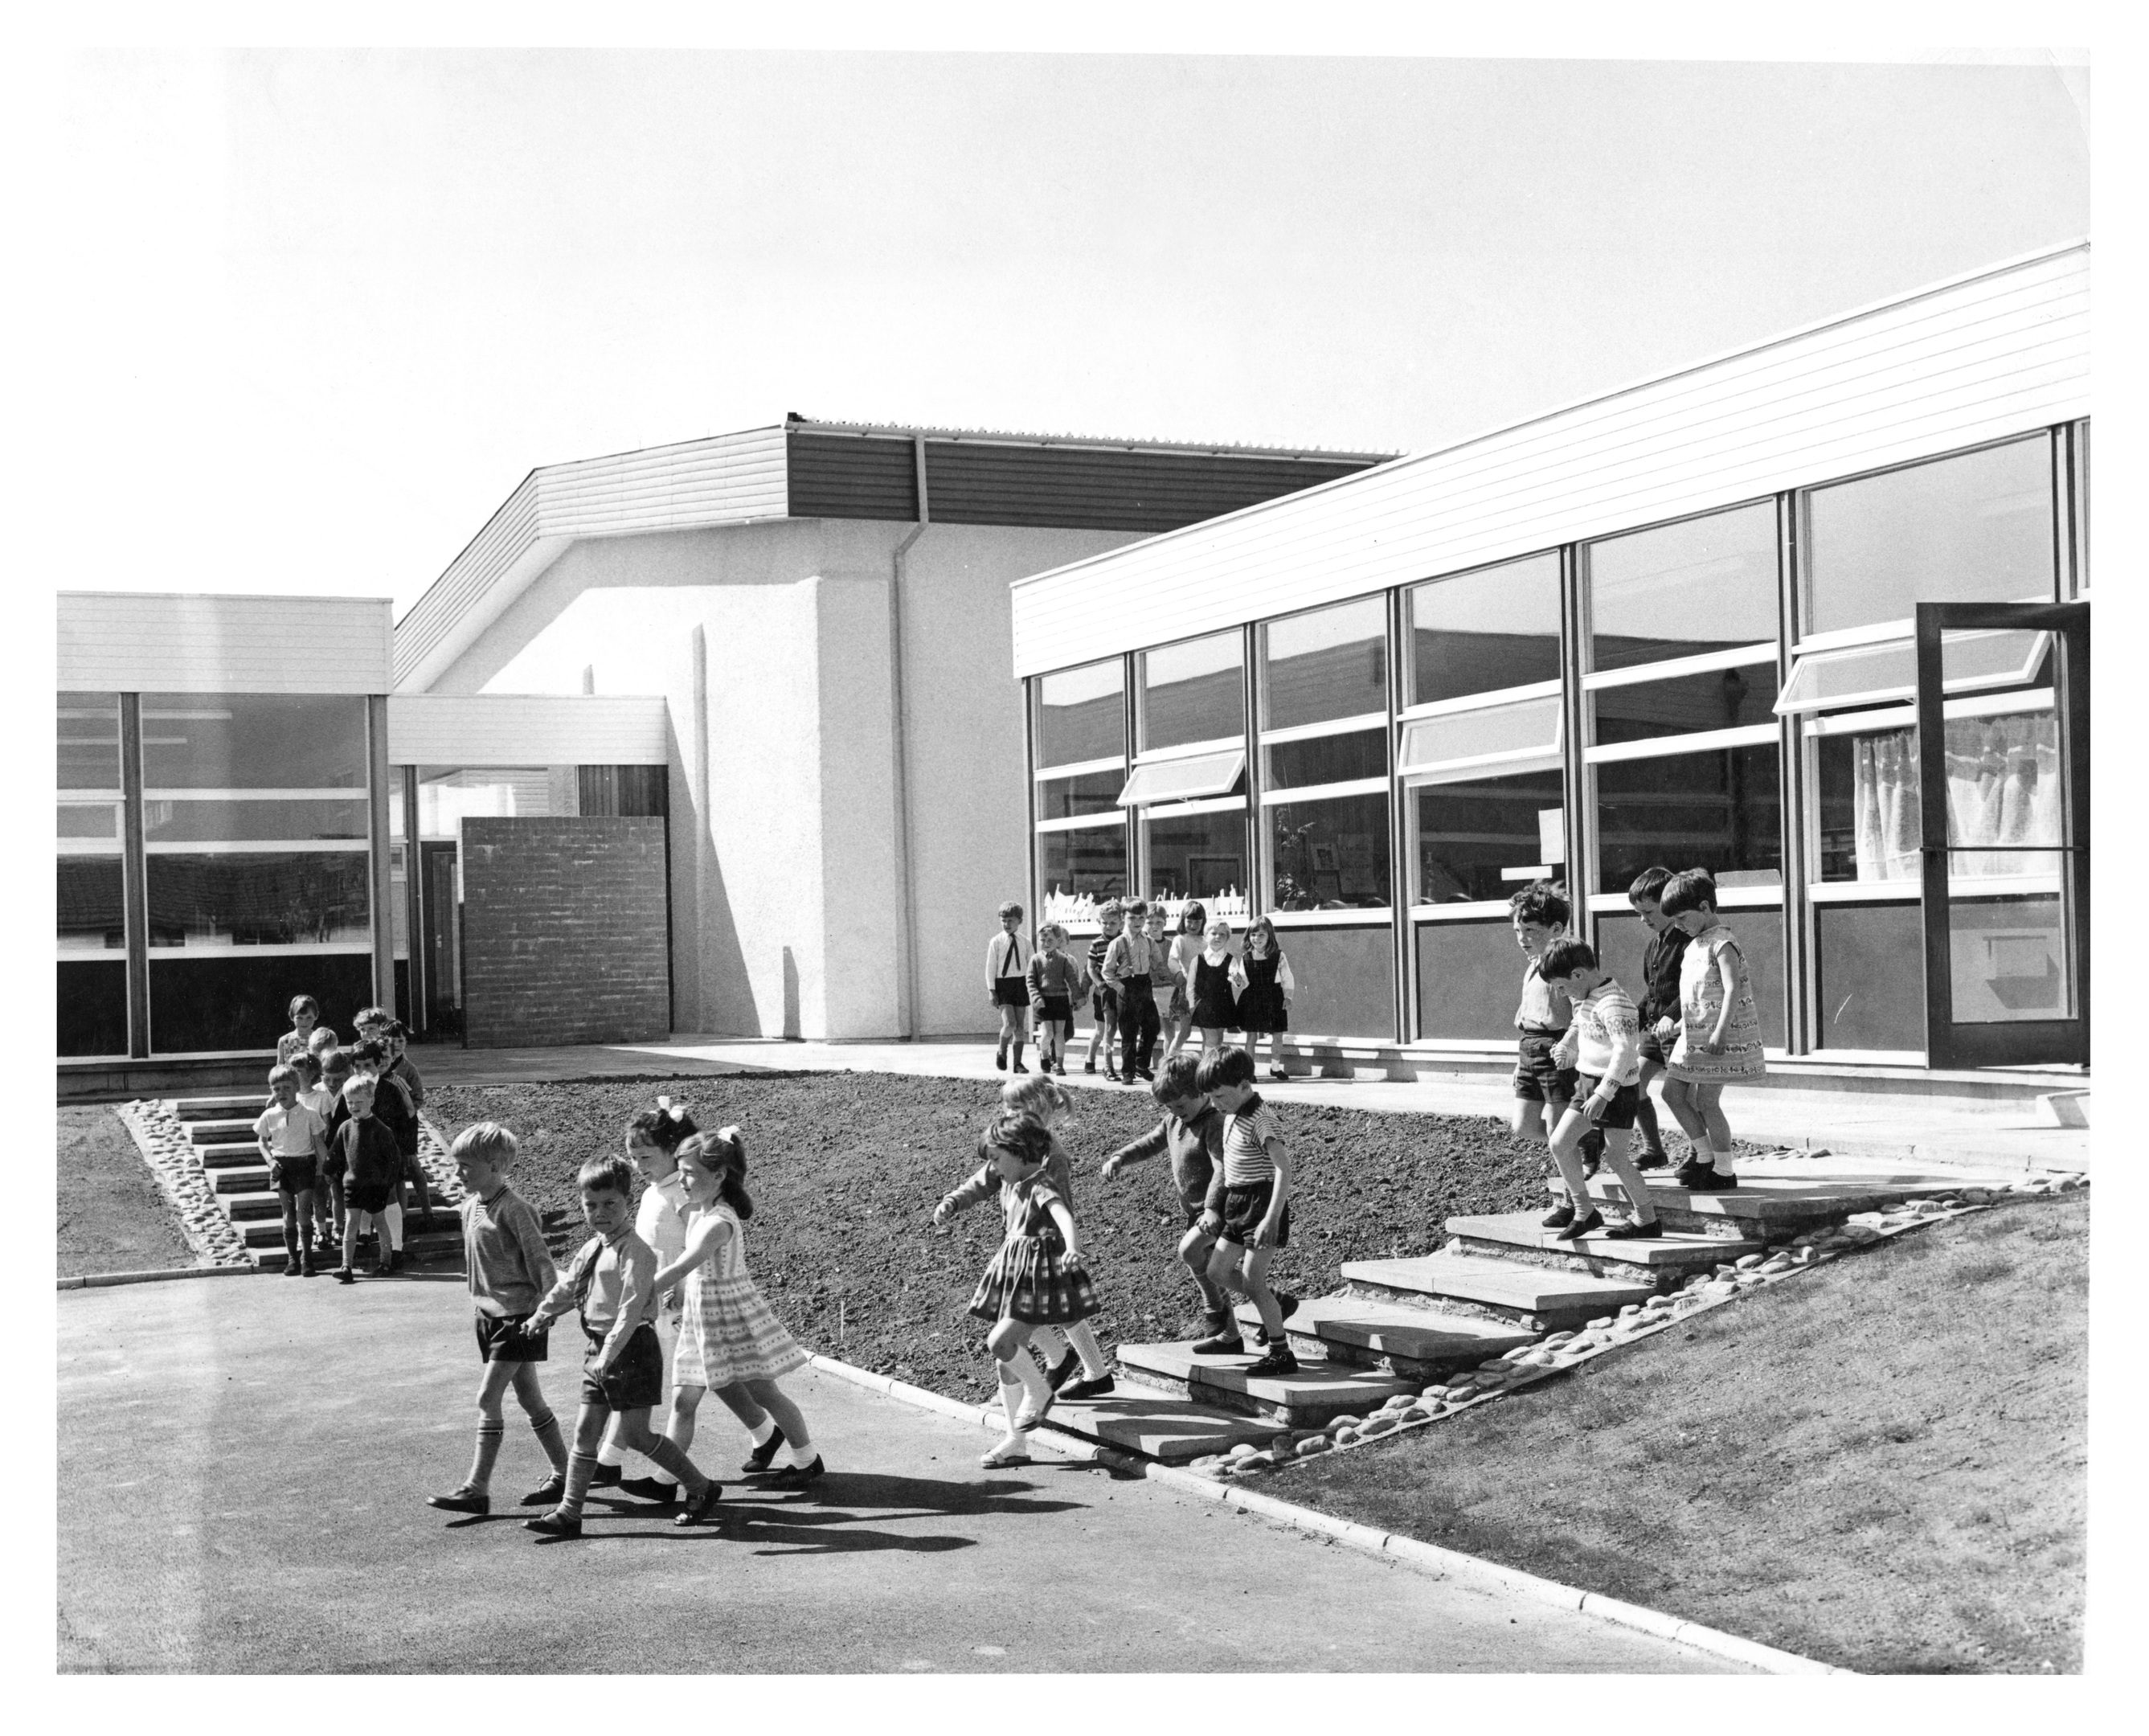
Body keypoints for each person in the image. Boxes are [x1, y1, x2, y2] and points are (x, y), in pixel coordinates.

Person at [515, 1153, 722, 1537]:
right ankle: (570, 1513)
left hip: (631, 1351)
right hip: (600, 1351)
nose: (600, 1212)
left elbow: (630, 1310)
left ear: (627, 1201)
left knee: (638, 1435)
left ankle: (701, 1486)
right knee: (584, 1433)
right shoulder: (594, 1247)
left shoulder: (636, 1251)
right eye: (590, 1205)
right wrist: (541, 1315)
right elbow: (568, 1288)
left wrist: (608, 1354)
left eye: (610, 1203)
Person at [653, 1128, 824, 1490]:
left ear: (718, 1176)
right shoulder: (698, 1212)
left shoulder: (719, 1221)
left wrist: (642, 1290)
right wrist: (680, 1292)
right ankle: (665, 1480)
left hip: (730, 1318)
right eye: (680, 1171)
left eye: (690, 1173)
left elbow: (686, 1262)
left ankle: (807, 1458)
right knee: (683, 1399)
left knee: (765, 1393)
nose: (681, 1180)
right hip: (702, 1320)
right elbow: (692, 1271)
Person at [936, 1111, 1099, 1470]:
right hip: (1017, 1272)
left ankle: (1040, 1391)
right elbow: (978, 1185)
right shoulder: (1011, 1182)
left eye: (996, 1159)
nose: (992, 1167)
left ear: (1020, 1152)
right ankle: (1016, 1442)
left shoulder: (1041, 1183)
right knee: (1006, 1362)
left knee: (1000, 1343)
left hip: (1039, 1278)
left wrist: (1072, 1245)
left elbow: (1063, 1214)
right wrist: (953, 1202)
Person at [425, 1122, 571, 1517]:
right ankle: (566, 1473)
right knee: (529, 1398)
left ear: (494, 1166)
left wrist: (547, 1309)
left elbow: (541, 1262)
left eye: (466, 1166)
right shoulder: (470, 1206)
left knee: (487, 1398)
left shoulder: (517, 1209)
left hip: (518, 1317)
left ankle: (477, 1488)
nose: (458, 1173)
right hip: (488, 1316)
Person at [595, 1100, 695, 1501]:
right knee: (639, 1380)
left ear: (673, 1151)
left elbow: (696, 1244)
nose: (638, 1166)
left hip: (677, 1304)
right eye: (633, 1158)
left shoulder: (682, 1193)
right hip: (651, 1302)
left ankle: (667, 1479)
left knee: (679, 1390)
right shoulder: (658, 1190)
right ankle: (608, 1459)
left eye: (647, 1156)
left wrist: (683, 1287)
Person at [1539, 939, 1668, 1240]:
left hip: (1617, 1088)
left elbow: (1625, 1051)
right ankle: (1585, 1212)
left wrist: (1604, 1094)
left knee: (1617, 1158)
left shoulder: (1614, 1003)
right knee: (1560, 1143)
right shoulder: (1586, 995)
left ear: (1578, 974)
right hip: (1588, 1083)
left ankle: (1647, 1219)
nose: (1561, 993)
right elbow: (1581, 1026)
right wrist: (1566, 1048)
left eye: (1561, 986)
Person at [1101, 1053, 1235, 1341]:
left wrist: (1212, 1209)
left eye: (1180, 1104)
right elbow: (1150, 1143)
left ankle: (1214, 1307)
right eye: (1168, 1106)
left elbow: (1222, 1169)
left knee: (1190, 1252)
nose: (1175, 1111)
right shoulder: (1174, 1121)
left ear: (1200, 1092)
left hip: (1218, 1209)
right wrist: (1120, 1157)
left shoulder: (1213, 1123)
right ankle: (1230, 1337)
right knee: (1213, 1271)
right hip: (1196, 1212)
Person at [1656, 870, 1767, 1193]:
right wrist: (1678, 1025)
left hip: (1718, 1037)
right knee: (1672, 1093)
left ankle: (1723, 1169)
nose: (1678, 924)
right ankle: (1704, 1156)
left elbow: (1732, 989)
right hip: (1694, 1035)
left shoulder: (1723, 942)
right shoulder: (1694, 945)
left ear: (1705, 907)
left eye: (1682, 917)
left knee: (1707, 1102)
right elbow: (1699, 997)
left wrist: (1720, 1031)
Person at [1190, 1046, 1299, 1375]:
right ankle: (1278, 1302)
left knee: (1253, 1282)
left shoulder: (1262, 1118)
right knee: (1217, 1270)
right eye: (1211, 1097)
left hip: (1262, 1204)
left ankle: (1281, 1353)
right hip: (1237, 1203)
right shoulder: (1232, 1114)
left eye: (1221, 1096)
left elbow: (1284, 1169)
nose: (1215, 1104)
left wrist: (1271, 1218)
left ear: (1243, 1084)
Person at [1506, 882, 1601, 1172]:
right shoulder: (1534, 963)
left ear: (1557, 930)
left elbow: (1581, 1012)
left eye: (1531, 931)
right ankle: (1588, 1137)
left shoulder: (1563, 966)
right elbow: (1529, 1012)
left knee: (1557, 1131)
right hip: (1530, 1048)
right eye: (1518, 932)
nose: (1523, 939)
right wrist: (1521, 1060)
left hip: (1557, 1049)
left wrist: (1568, 1044)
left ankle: (1573, 1195)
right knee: (1523, 1126)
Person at [1626, 867, 1686, 1170]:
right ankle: (1654, 1150)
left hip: (1677, 1032)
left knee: (1683, 1098)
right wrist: (1630, 1020)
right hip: (1654, 1031)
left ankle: (1700, 1153)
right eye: (1638, 913)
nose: (1643, 919)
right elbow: (1652, 992)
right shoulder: (1655, 944)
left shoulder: (1685, 941)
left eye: (1648, 911)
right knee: (1631, 1082)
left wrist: (1671, 1017)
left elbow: (1690, 991)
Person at [253, 1062, 330, 1276]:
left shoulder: (310, 1113)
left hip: (304, 1165)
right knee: (288, 1214)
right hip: (281, 1167)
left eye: (287, 1088)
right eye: (276, 1089)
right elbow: (262, 1142)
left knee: (304, 1211)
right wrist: (270, 1162)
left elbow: (319, 1143)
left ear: (296, 1087)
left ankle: (307, 1258)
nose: (281, 1093)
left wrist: (326, 1168)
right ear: (271, 1091)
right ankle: (292, 1259)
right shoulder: (269, 1115)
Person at [330, 1075, 405, 1281]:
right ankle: (346, 1266)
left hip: (375, 1186)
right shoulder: (345, 1127)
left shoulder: (381, 1129)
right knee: (351, 1224)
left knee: (381, 1225)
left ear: (371, 1101)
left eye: (359, 1102)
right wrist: (329, 1169)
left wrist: (387, 1182)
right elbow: (336, 1152)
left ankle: (386, 1262)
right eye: (350, 1102)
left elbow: (394, 1158)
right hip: (353, 1185)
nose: (354, 1106)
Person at [1105, 900, 1172, 1083]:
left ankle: (1142, 1063)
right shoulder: (1118, 942)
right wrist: (1121, 988)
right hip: (1127, 987)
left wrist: (1172, 976)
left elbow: (1159, 964)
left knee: (1153, 1027)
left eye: (1141, 917)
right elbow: (1107, 972)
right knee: (1129, 1032)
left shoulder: (1149, 942)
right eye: (1132, 917)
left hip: (1144, 985)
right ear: (1123, 919)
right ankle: (1128, 1072)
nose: (1137, 921)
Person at [1230, 917, 1294, 1083]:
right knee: (1251, 1036)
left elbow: (1287, 977)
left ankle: (1275, 1067)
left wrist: (1288, 996)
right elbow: (1243, 982)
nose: (1256, 939)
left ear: (1269, 936)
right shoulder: (1246, 957)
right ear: (1248, 936)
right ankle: (1249, 1070)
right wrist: (1237, 979)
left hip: (1274, 997)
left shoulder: (1278, 956)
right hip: (1253, 998)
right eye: (1253, 935)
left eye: (1261, 935)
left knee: (1277, 1034)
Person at [1024, 923, 1086, 1078]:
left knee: (1060, 1034)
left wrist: (1079, 996)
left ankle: (1060, 1064)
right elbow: (1030, 980)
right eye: (1042, 939)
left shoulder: (1063, 959)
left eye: (1050, 939)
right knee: (1048, 1034)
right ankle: (1044, 1054)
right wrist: (1036, 997)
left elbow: (1072, 979)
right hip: (1044, 1002)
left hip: (1060, 1000)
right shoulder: (1035, 960)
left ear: (1058, 940)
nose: (1046, 943)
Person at [313, 1047, 354, 1257]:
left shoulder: (351, 1090)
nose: (332, 1084)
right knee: (320, 1189)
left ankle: (339, 1227)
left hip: (344, 1147)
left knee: (338, 1189)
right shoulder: (316, 1091)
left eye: (337, 1079)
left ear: (347, 1073)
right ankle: (320, 1229)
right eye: (327, 1079)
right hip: (320, 1146)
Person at [986, 901, 1031, 1075]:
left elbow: (1031, 963)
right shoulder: (996, 942)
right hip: (1003, 985)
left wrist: (1032, 987)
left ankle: (1018, 1063)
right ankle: (1001, 1051)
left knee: (1019, 1026)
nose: (1007, 924)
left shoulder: (1025, 942)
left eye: (1011, 921)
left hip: (1021, 984)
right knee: (1010, 1023)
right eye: (1003, 920)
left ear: (1019, 921)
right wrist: (992, 990)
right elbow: (991, 967)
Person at [1160, 900, 1208, 1061]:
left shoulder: (1206, 940)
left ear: (1203, 921)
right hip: (1188, 989)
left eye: (1197, 921)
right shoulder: (1181, 940)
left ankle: (1207, 1067)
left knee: (1207, 1031)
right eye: (1189, 921)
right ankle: (1169, 1062)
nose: (1193, 925)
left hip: (1205, 990)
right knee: (1185, 1031)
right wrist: (1180, 975)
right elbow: (1172, 960)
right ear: (1183, 921)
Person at [1188, 918, 1239, 1059]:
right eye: (1214, 933)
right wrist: (1192, 1005)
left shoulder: (1230, 960)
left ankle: (1209, 1067)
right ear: (1205, 937)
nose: (1218, 937)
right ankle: (1211, 1068)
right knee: (1212, 1038)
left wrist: (1236, 976)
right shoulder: (1198, 960)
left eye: (1223, 934)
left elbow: (1238, 981)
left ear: (1228, 938)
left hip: (1224, 1004)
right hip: (1205, 1005)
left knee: (1218, 1038)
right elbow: (1190, 985)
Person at [1083, 900, 1125, 1079]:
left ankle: (1120, 1064)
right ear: (1099, 922)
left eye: (1113, 923)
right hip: (1103, 992)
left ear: (1121, 923)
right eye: (1105, 923)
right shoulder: (1097, 943)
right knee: (1103, 1030)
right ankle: (1091, 1058)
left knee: (1118, 1027)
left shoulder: (1125, 941)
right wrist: (1100, 984)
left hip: (1121, 991)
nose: (1108, 927)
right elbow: (1090, 968)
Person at [276, 995, 325, 1067]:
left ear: (316, 1016)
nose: (304, 1022)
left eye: (309, 1017)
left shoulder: (320, 1040)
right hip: (291, 1077)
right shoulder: (284, 1041)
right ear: (291, 1016)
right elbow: (279, 1068)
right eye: (299, 1018)